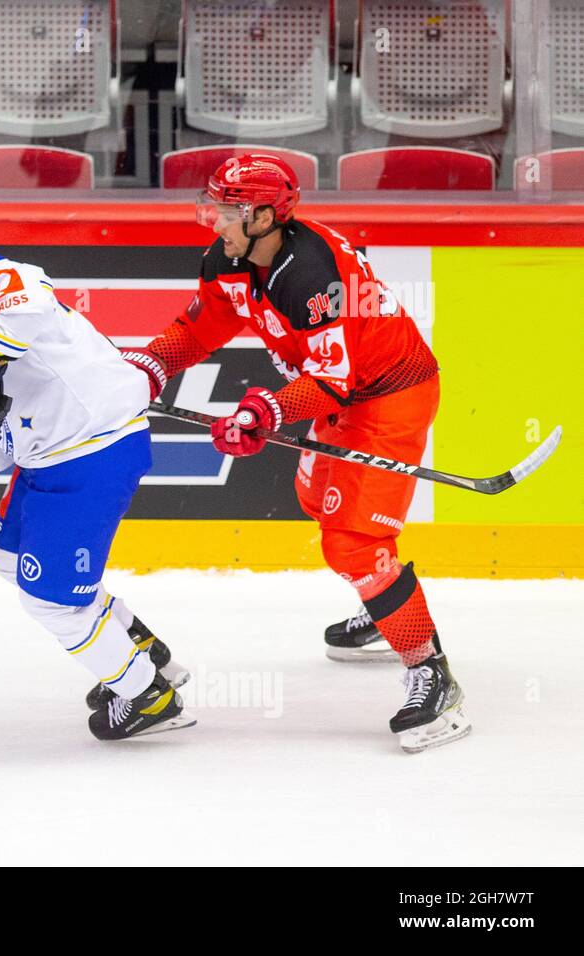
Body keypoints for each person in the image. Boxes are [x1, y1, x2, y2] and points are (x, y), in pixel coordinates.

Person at [120, 153, 468, 753]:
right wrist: (149, 366)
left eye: (227, 210)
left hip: (390, 393)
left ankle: (430, 670)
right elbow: (198, 330)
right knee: (320, 502)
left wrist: (265, 412)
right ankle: (386, 606)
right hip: (341, 392)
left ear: (263, 216)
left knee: (355, 542)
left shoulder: (311, 272)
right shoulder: (228, 258)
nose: (215, 220)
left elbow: (333, 378)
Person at [0, 199, 194, 740]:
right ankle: (139, 649)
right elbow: (4, 421)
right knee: (8, 555)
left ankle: (149, 696)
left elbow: (30, 298)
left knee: (51, 600)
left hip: (91, 449)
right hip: (51, 450)